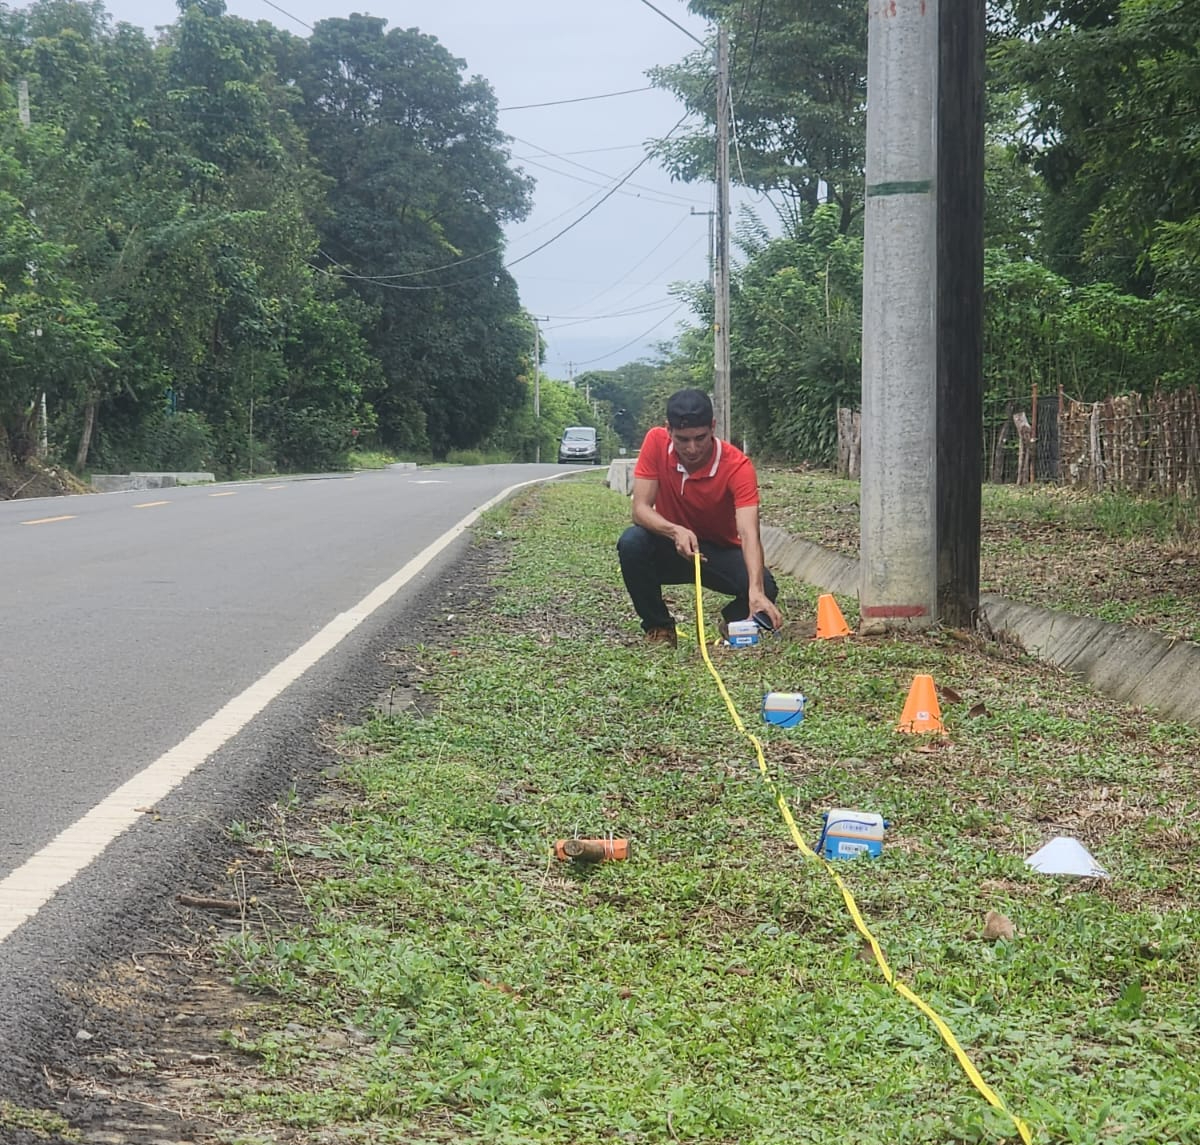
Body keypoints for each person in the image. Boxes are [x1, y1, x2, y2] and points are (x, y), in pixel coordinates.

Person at [617, 388, 783, 646]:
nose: (692, 448)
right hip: (671, 546)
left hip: (716, 552)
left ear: (713, 427)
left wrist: (756, 590)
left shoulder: (738, 466)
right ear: (668, 430)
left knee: (765, 587)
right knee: (632, 542)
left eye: (700, 438)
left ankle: (733, 623)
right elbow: (640, 509)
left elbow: (749, 532)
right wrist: (675, 531)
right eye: (682, 439)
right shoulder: (655, 442)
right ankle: (659, 627)